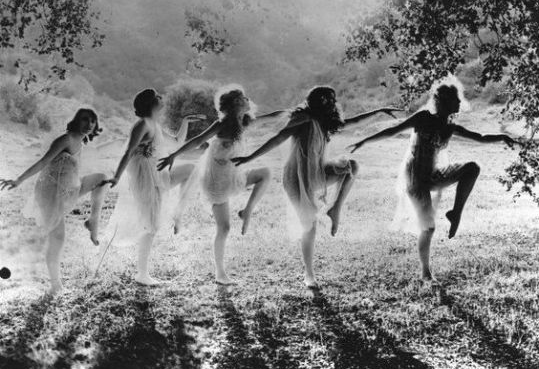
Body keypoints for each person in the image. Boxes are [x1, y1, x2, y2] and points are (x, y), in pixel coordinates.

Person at [348, 76, 520, 280]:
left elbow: (480, 138)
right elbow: (393, 131)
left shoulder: (451, 127)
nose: (459, 102)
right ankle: (426, 272)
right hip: (415, 177)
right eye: (455, 98)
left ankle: (455, 213)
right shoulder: (423, 118)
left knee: (472, 168)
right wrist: (364, 141)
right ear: (445, 101)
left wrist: (503, 137)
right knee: (428, 227)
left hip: (434, 174)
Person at [231, 86, 400, 288]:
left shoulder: (327, 122)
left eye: (332, 100)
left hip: (318, 173)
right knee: (309, 226)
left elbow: (354, 122)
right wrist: (250, 157)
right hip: (296, 178)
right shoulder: (302, 118)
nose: (331, 103)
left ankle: (335, 208)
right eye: (326, 100)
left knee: (352, 166)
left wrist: (379, 111)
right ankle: (309, 274)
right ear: (316, 102)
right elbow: (278, 139)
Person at [158, 84, 284, 285]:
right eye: (244, 98)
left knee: (266, 173)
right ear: (236, 104)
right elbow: (197, 140)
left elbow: (272, 117)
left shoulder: (245, 121)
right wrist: (174, 155)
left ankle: (247, 211)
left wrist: (293, 112)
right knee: (224, 228)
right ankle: (220, 272)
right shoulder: (222, 124)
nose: (248, 100)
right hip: (216, 180)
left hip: (234, 175)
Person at [0, 108, 107, 294]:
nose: (89, 124)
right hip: (50, 194)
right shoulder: (65, 140)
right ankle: (55, 286)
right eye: (85, 119)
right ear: (76, 120)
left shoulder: (81, 141)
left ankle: (92, 222)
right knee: (58, 238)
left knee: (102, 179)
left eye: (92, 121)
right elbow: (43, 162)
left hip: (68, 189)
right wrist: (18, 180)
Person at [104, 89, 203, 285]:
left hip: (158, 174)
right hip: (145, 177)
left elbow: (177, 141)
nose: (161, 98)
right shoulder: (142, 124)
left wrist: (185, 122)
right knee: (150, 225)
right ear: (150, 103)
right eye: (157, 96)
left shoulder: (155, 124)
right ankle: (142, 274)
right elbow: (128, 152)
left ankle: (178, 214)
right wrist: (116, 176)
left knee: (191, 170)